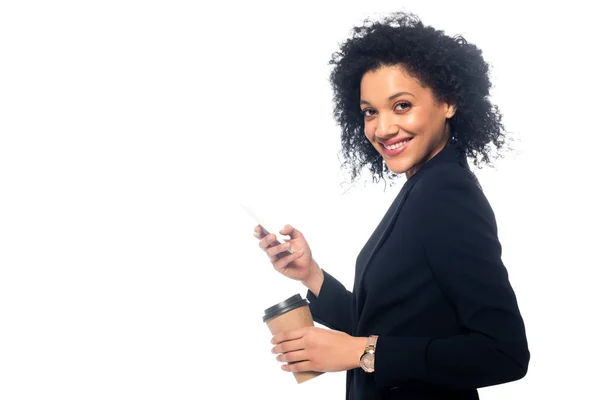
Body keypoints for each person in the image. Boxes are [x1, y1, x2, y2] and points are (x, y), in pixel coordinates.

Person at [254, 11, 529, 400]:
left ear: (448, 101)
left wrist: (363, 353)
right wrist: (311, 275)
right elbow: (391, 323)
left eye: (401, 105)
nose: (382, 129)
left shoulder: (447, 195)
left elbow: (504, 353)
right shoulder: (422, 187)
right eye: (370, 112)